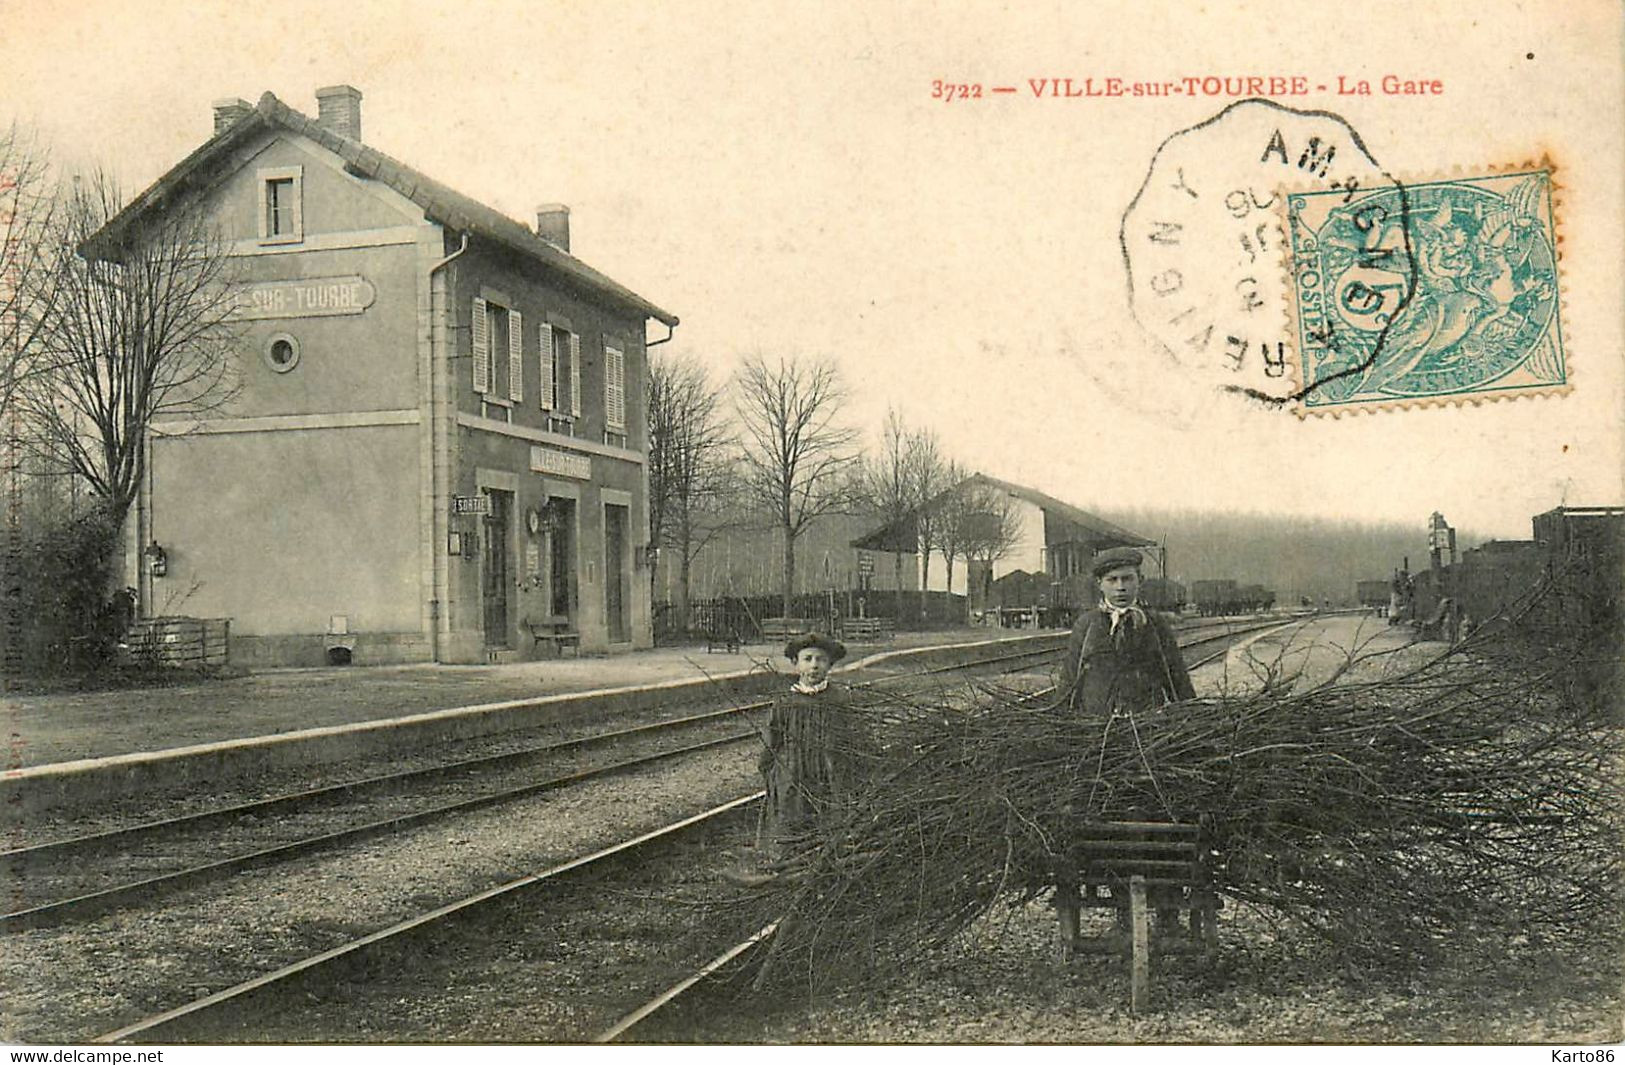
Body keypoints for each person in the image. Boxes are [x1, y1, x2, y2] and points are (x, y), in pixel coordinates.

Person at [1055, 545, 1197, 949]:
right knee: (1108, 825)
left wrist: (1191, 727)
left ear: (1140, 582)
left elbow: (1180, 686)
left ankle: (1169, 914)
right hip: (1101, 746)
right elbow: (1068, 687)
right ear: (1099, 584)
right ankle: (1122, 913)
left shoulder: (1155, 627)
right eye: (1112, 581)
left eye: (1128, 580)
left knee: (1166, 819)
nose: (1120, 588)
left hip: (1153, 743)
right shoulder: (1086, 628)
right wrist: (1063, 734)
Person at [727, 633, 863, 887]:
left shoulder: (841, 699)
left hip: (830, 773)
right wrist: (772, 772)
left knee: (829, 820)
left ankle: (827, 872)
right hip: (793, 775)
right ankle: (787, 872)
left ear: (830, 665)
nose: (814, 665)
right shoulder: (785, 703)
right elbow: (771, 741)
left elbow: (855, 737)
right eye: (807, 659)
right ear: (796, 665)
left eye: (821, 660)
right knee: (792, 819)